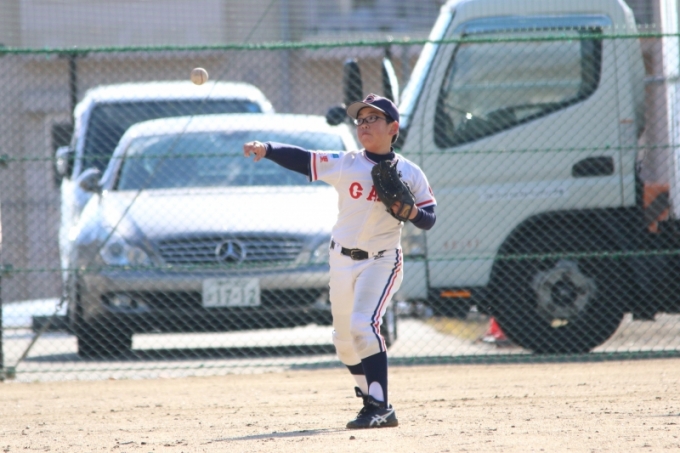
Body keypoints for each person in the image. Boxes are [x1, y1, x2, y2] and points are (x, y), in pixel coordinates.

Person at [243, 94, 436, 429]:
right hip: (342, 259)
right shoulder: (346, 163)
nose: (364, 125)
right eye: (361, 119)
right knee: (345, 343)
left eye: (373, 118)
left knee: (363, 325)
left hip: (382, 260)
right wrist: (268, 149)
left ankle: (381, 407)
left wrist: (412, 213)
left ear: (393, 127)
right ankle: (370, 400)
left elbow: (429, 219)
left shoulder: (410, 172)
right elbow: (304, 159)